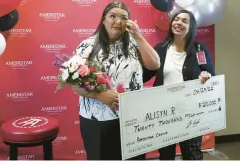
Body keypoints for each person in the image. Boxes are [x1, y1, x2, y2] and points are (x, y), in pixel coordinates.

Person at [71, 1, 160, 160]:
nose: (118, 22)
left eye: (124, 18)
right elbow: (72, 81)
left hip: (132, 118)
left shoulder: (133, 44)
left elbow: (155, 64)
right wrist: (99, 95)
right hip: (98, 121)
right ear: (103, 19)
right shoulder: (88, 45)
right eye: (113, 16)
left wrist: (138, 37)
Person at [143, 10, 215, 160]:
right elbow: (144, 75)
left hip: (190, 112)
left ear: (191, 27)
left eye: (184, 21)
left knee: (192, 154)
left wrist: (206, 77)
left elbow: (210, 75)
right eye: (176, 19)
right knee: (166, 154)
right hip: (164, 112)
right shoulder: (160, 49)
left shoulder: (199, 49)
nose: (179, 23)